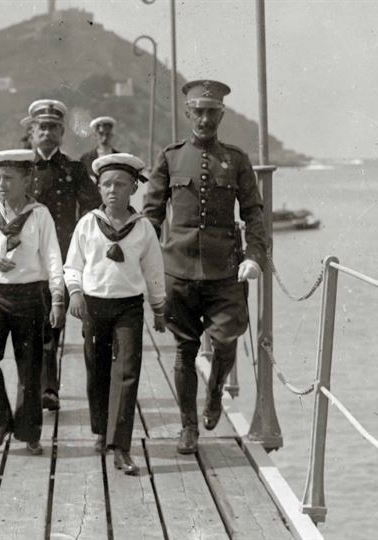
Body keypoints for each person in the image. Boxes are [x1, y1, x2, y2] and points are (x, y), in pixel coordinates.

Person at [142, 80, 266, 455]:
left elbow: (254, 213)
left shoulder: (237, 160)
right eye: (198, 112)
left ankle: (214, 395)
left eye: (212, 112)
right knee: (185, 349)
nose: (205, 119)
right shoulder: (170, 158)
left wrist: (254, 256)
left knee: (227, 339)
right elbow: (150, 216)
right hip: (178, 270)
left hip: (225, 270)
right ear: (188, 113)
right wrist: (142, 260)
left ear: (221, 115)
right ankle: (188, 427)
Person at [66, 153, 167, 476]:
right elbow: (73, 265)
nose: (113, 190)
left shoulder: (143, 229)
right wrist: (75, 293)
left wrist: (159, 308)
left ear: (134, 188)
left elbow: (154, 271)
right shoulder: (88, 224)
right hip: (95, 306)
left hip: (128, 307)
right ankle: (101, 429)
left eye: (120, 184)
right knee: (97, 369)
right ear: (98, 188)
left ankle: (121, 446)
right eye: (107, 184)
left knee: (127, 371)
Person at [0, 149, 65, 456]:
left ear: (27, 180)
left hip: (29, 296)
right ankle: (1, 420)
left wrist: (57, 297)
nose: (1, 184)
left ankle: (29, 432)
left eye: (9, 178)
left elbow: (52, 257)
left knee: (30, 369)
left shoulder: (39, 215)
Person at [26, 98, 103, 411]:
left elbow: (93, 208)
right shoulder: (23, 169)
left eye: (53, 127)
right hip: (32, 258)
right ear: (32, 132)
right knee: (42, 325)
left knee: (68, 324)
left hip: (68, 256)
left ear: (61, 133)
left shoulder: (74, 169)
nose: (47, 132)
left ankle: (86, 392)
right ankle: (46, 388)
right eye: (41, 127)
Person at [79, 116, 121, 180]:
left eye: (107, 134)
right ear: (95, 135)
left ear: (112, 135)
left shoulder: (119, 158)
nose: (104, 137)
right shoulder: (86, 159)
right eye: (101, 134)